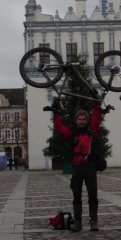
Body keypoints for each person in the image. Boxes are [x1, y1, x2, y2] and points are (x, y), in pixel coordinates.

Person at [46, 94, 102, 232]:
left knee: (92, 194)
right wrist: (56, 112)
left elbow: (96, 118)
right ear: (76, 121)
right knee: (76, 195)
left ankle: (93, 221)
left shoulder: (91, 132)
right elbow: (59, 127)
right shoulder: (72, 134)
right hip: (77, 166)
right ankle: (78, 222)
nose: (81, 121)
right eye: (79, 119)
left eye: (84, 119)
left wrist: (96, 103)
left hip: (89, 166)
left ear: (86, 121)